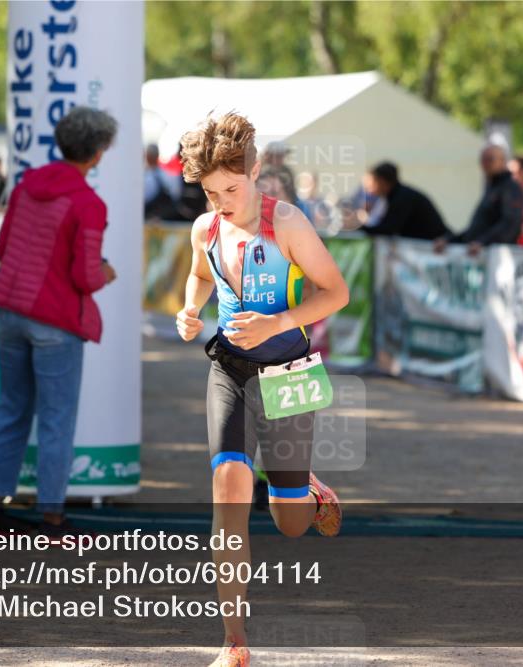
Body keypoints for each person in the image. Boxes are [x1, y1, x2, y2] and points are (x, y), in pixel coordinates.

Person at [174, 112, 348, 667]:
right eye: (210, 192)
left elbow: (335, 292)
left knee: (290, 524)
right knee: (229, 489)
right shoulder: (205, 229)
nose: (222, 201)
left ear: (253, 172)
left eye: (231, 187)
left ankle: (308, 488)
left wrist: (278, 323)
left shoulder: (289, 224)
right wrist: (189, 308)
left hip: (290, 372)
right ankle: (234, 641)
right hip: (229, 370)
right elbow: (201, 275)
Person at [0, 107, 119, 539]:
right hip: (56, 321)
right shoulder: (89, 203)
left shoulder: (27, 185)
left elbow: (4, 246)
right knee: (56, 419)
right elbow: (84, 275)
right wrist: (105, 272)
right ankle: (53, 518)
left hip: (10, 311)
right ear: (99, 152)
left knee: (11, 408)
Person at [435, 144, 523, 255]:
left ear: (502, 161)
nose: (485, 163)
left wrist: (483, 243)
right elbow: (478, 228)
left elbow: (510, 224)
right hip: (483, 257)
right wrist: (449, 240)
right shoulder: (492, 187)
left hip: (497, 259)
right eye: (482, 159)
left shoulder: (510, 188)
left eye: (490, 159)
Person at [359, 161, 449, 240]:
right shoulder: (394, 196)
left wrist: (357, 227)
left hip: (437, 246)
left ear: (383, 182)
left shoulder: (402, 197)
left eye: (371, 184)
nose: (368, 189)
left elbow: (387, 229)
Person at [144, 142, 183, 220]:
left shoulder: (143, 177)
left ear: (146, 156)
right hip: (164, 221)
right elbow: (177, 195)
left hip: (156, 219)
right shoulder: (168, 175)